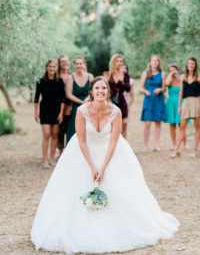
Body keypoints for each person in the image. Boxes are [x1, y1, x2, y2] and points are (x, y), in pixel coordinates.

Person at [31, 76, 179, 254]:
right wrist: (93, 167)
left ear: (108, 92)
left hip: (111, 153)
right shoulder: (82, 111)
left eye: (104, 89)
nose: (100, 91)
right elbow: (82, 141)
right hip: (83, 154)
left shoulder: (116, 112)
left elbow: (114, 143)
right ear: (91, 92)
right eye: (97, 89)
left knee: (119, 187)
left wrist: (103, 167)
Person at [34, 60, 65, 169]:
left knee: (55, 134)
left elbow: (63, 98)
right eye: (50, 67)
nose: (52, 69)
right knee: (46, 134)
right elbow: (36, 98)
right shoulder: (40, 81)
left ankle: (52, 158)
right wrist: (36, 113)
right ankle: (44, 160)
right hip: (45, 110)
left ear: (56, 68)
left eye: (54, 67)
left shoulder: (60, 81)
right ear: (46, 68)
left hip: (56, 111)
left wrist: (61, 113)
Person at [172, 57, 200, 158]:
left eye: (192, 64)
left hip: (196, 102)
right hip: (186, 102)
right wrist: (179, 106)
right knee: (182, 127)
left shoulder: (198, 77)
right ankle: (176, 150)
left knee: (198, 128)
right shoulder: (183, 77)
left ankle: (194, 150)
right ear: (187, 65)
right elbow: (181, 92)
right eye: (189, 64)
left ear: (195, 65)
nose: (190, 65)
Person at [140, 54, 166, 152]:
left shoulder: (162, 73)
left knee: (157, 123)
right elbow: (141, 87)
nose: (155, 62)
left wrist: (160, 89)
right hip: (148, 100)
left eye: (156, 61)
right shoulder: (145, 73)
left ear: (159, 62)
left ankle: (156, 145)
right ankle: (145, 145)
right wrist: (145, 91)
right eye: (153, 60)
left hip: (158, 100)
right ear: (150, 62)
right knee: (147, 123)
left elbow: (164, 88)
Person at [66, 56, 93, 143]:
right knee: (74, 129)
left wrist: (86, 100)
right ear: (74, 65)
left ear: (84, 64)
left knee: (88, 129)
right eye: (77, 64)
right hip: (75, 107)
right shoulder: (70, 77)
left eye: (80, 63)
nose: (79, 65)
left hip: (88, 106)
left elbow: (93, 91)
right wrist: (81, 102)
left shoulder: (90, 76)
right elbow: (68, 94)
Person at [165, 64, 189, 150]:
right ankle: (174, 143)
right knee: (172, 125)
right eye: (170, 70)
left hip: (181, 103)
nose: (172, 72)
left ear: (177, 70)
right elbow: (166, 84)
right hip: (171, 104)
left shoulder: (182, 79)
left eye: (174, 70)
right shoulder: (170, 81)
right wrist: (170, 75)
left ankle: (185, 143)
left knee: (182, 125)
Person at [109, 54, 130, 137]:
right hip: (110, 103)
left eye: (121, 61)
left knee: (121, 128)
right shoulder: (109, 74)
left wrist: (122, 82)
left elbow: (128, 89)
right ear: (113, 62)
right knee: (111, 128)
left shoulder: (125, 74)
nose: (119, 63)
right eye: (117, 61)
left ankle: (124, 147)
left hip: (121, 102)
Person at [57, 55, 71, 157]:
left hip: (70, 106)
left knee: (69, 130)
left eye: (66, 61)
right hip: (58, 106)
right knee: (59, 132)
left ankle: (69, 154)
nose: (64, 63)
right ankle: (60, 154)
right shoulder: (56, 76)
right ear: (59, 63)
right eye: (62, 61)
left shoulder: (72, 75)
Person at [121, 63, 134, 138]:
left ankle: (124, 144)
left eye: (125, 68)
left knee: (124, 126)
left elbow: (132, 96)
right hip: (116, 102)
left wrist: (128, 105)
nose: (124, 70)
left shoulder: (129, 81)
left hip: (125, 103)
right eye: (122, 68)